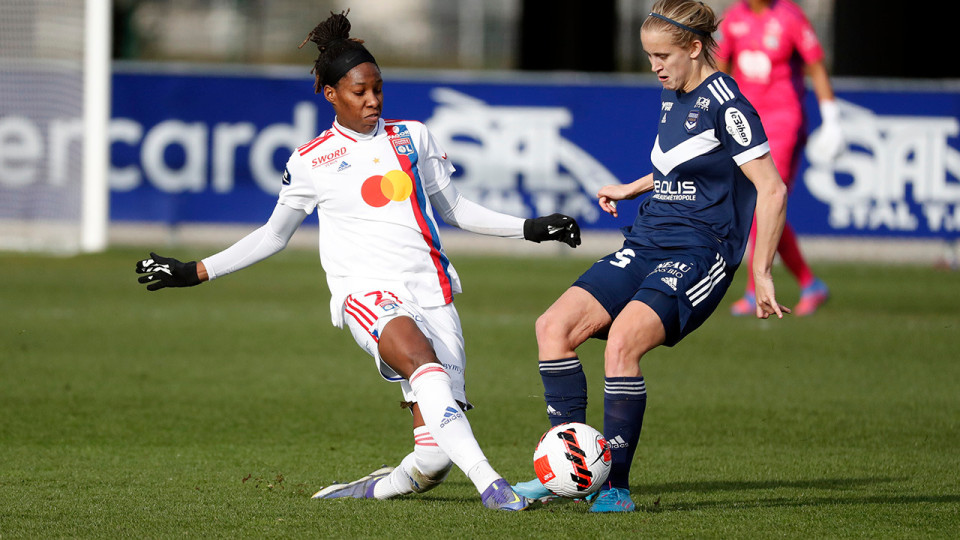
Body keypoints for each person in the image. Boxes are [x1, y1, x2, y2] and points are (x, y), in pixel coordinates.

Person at [135, 11, 581, 512]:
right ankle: (493, 486)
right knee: (421, 364)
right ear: (331, 95)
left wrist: (529, 227)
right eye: (358, 92)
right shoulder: (310, 161)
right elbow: (272, 236)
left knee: (432, 459)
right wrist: (195, 272)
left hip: (433, 292)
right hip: (366, 293)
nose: (372, 100)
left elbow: (454, 209)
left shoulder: (413, 137)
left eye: (378, 89)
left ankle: (373, 487)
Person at [511, 0, 789, 513]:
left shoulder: (727, 103)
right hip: (647, 240)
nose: (655, 66)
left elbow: (772, 190)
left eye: (663, 55)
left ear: (695, 48)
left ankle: (615, 487)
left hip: (701, 251)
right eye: (648, 56)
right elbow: (683, 163)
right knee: (553, 327)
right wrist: (635, 187)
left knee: (622, 343)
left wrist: (761, 272)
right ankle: (570, 473)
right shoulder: (675, 93)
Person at [717, 0, 843, 316]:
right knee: (758, 204)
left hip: (784, 119)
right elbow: (720, 69)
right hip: (746, 122)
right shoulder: (733, 19)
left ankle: (752, 290)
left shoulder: (790, 16)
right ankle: (809, 282)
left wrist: (831, 118)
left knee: (767, 197)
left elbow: (815, 65)